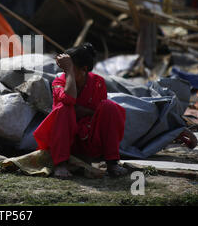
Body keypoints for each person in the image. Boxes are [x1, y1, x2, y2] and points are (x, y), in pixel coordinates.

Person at [34, 43, 128, 178]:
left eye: (71, 69)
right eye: (66, 70)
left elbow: (100, 114)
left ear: (84, 69)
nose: (67, 73)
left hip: (88, 140)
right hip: (64, 142)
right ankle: (61, 165)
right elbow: (70, 100)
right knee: (64, 109)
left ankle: (112, 163)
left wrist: (84, 111)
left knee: (110, 107)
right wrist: (71, 72)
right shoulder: (59, 82)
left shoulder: (98, 82)